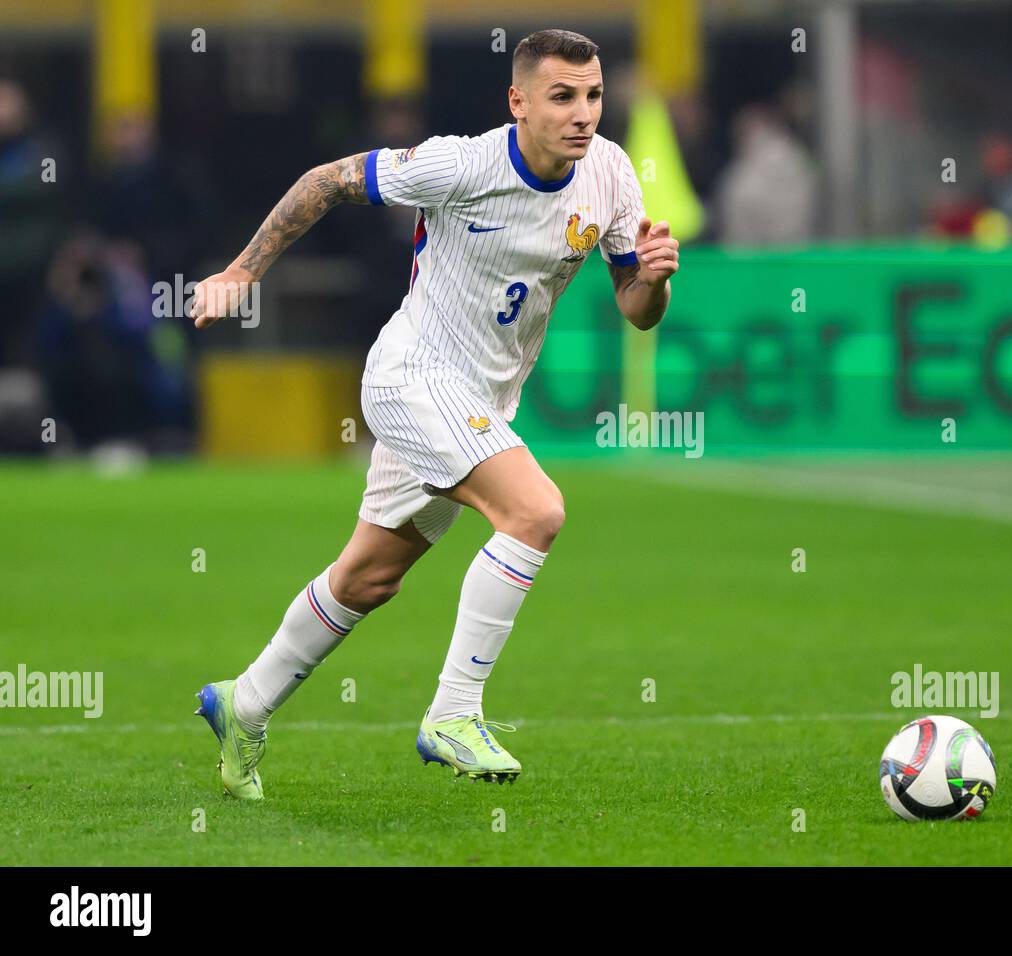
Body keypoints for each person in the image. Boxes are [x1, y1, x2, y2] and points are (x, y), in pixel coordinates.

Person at [187, 29, 679, 798]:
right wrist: (241, 272)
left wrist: (653, 280)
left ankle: (242, 703)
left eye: (593, 97)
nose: (583, 114)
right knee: (536, 512)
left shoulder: (610, 174)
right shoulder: (462, 164)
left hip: (479, 402)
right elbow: (326, 181)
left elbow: (637, 311)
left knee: (370, 577)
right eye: (561, 97)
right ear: (517, 102)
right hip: (412, 376)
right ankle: (453, 713)